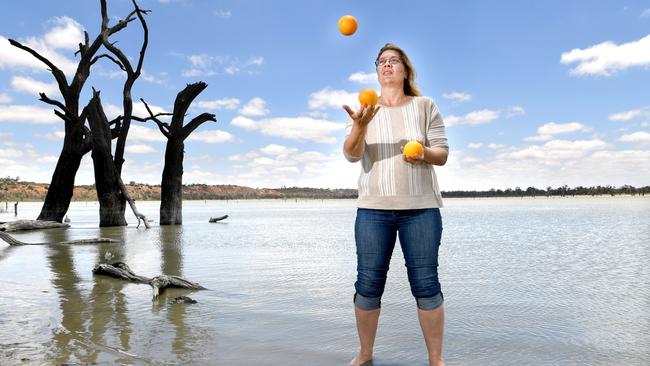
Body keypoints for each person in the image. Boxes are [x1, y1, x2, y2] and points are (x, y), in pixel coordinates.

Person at [342, 43, 449, 366]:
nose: (387, 65)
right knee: (368, 283)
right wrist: (359, 127)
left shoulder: (425, 105)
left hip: (421, 210)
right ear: (377, 71)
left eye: (394, 61)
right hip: (373, 211)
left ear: (406, 70)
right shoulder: (367, 110)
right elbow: (351, 154)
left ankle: (435, 360)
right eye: (381, 62)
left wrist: (422, 153)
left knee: (426, 283)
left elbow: (441, 154)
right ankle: (365, 354)